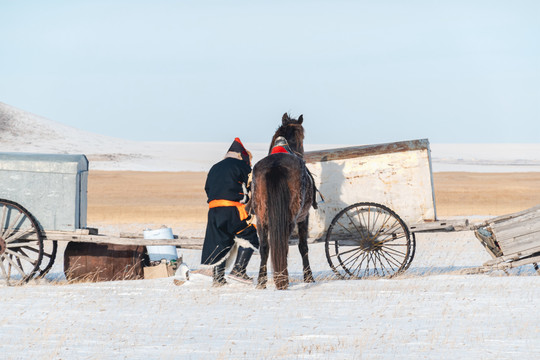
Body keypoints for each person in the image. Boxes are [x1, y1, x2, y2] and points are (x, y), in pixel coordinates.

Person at [201, 137, 259, 286]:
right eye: (249, 160)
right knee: (249, 234)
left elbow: (207, 189)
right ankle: (239, 270)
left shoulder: (214, 167)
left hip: (214, 210)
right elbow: (251, 186)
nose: (249, 163)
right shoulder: (242, 166)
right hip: (233, 209)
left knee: (219, 240)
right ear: (242, 156)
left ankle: (218, 279)